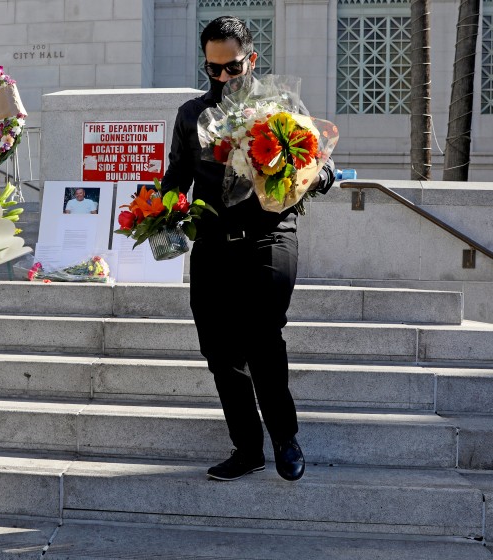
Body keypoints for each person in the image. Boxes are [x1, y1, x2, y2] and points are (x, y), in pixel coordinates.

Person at [159, 16, 335, 483]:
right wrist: (160, 215)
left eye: (231, 68)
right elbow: (176, 177)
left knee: (261, 335)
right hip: (213, 243)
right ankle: (247, 448)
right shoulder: (191, 115)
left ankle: (284, 437)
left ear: (251, 59)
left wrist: (320, 175)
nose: (222, 78)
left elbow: (318, 161)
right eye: (212, 69)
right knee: (219, 350)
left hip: (270, 237)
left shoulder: (279, 109)